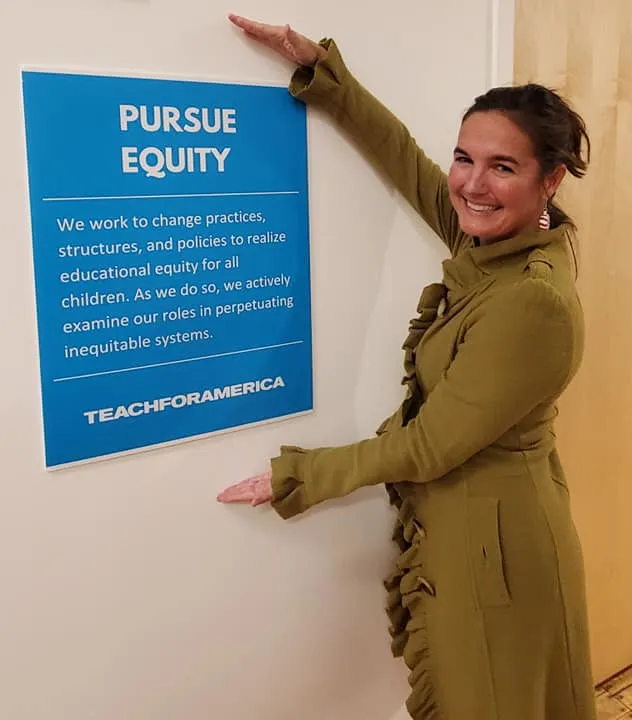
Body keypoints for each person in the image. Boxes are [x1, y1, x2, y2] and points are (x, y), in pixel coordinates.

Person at [217, 14, 596, 720]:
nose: (472, 184)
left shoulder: (532, 301)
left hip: (500, 556)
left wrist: (296, 475)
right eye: (466, 157)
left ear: (550, 180)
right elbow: (411, 167)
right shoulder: (497, 245)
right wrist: (325, 73)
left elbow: (427, 445)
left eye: (503, 166)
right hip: (475, 538)